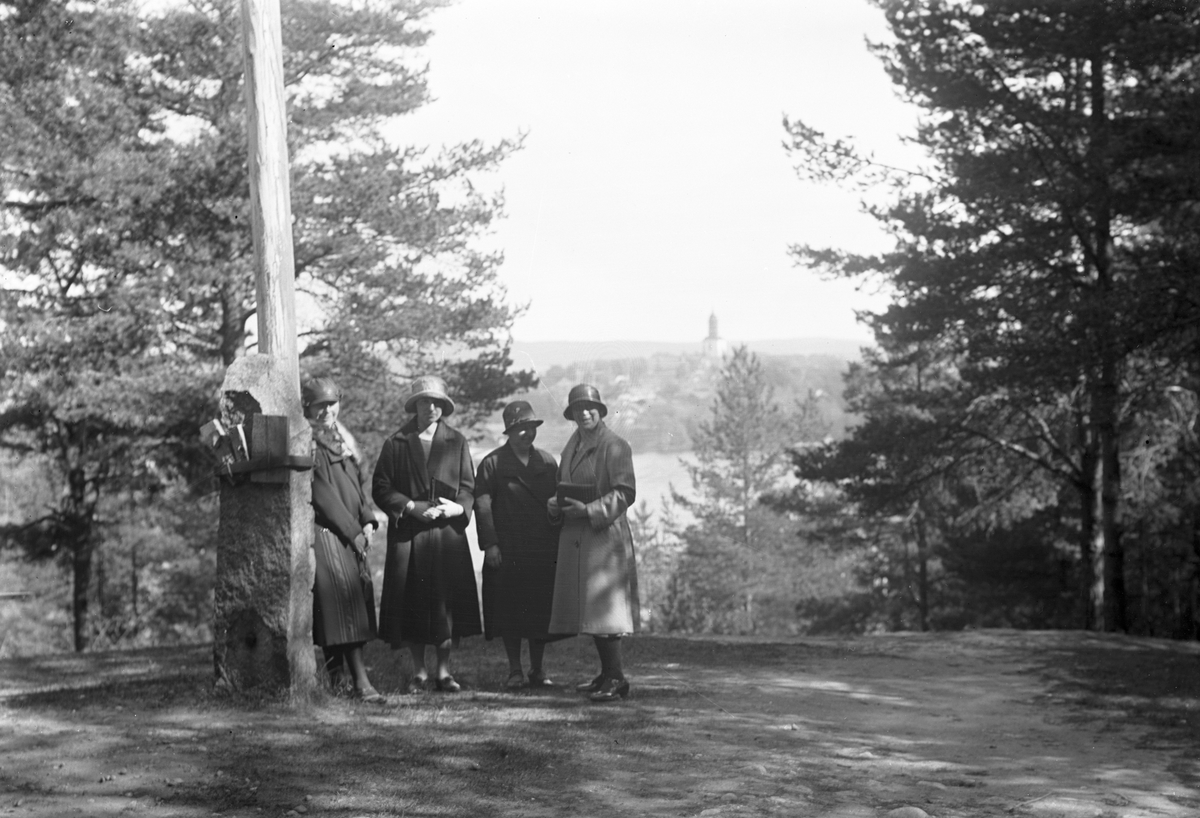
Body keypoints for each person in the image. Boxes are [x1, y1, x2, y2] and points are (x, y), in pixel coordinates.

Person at [372, 375, 480, 693]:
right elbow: (381, 487)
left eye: (436, 402)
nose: (430, 407)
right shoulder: (396, 443)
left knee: (446, 604)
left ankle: (444, 672)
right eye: (423, 401)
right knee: (413, 602)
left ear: (443, 406)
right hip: (410, 535)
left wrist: (457, 508)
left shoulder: (457, 441)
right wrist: (409, 507)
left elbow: (469, 487)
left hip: (446, 536)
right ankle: (419, 671)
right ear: (415, 406)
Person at [547, 384, 639, 703]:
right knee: (591, 610)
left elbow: (625, 492)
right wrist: (555, 504)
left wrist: (588, 510)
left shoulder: (615, 446)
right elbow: (564, 485)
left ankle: (616, 678)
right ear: (571, 414)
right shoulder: (572, 446)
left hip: (604, 536)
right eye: (578, 408)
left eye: (590, 407)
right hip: (577, 534)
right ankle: (605, 673)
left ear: (600, 411)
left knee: (605, 610)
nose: (584, 413)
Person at [303, 376, 384, 703]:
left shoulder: (341, 439)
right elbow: (322, 495)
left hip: (349, 535)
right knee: (339, 611)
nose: (326, 411)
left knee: (345, 608)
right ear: (308, 407)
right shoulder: (307, 441)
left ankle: (338, 683)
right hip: (327, 534)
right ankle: (360, 683)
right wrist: (353, 532)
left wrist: (367, 521)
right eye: (319, 405)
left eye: (331, 404)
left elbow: (356, 489)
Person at [474, 400, 565, 690]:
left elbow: (558, 503)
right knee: (509, 611)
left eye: (530, 427)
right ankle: (515, 670)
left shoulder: (547, 462)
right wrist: (490, 545)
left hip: (541, 549)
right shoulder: (492, 463)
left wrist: (556, 515)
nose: (527, 433)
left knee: (539, 611)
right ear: (509, 432)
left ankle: (538, 669)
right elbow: (482, 505)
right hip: (507, 549)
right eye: (520, 429)